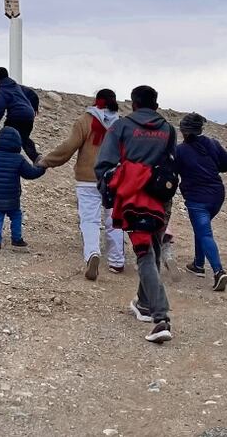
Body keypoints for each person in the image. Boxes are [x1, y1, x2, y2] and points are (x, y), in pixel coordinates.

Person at [95, 85, 177, 344]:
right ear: (156, 102)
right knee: (151, 249)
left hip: (133, 199)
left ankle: (160, 317)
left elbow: (104, 164)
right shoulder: (168, 129)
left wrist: (108, 188)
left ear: (133, 103)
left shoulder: (121, 127)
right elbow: (170, 162)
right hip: (161, 199)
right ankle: (143, 303)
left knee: (143, 255)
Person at [38, 88, 125, 280]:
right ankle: (117, 261)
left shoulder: (84, 121)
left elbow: (69, 147)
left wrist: (47, 161)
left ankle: (93, 253)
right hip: (114, 179)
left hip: (87, 179)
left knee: (90, 220)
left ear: (96, 100)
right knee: (114, 220)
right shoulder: (121, 124)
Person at [174, 112, 227, 291]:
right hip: (217, 195)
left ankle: (218, 272)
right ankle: (198, 264)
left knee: (205, 233)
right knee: (201, 229)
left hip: (197, 197)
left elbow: (173, 170)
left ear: (183, 130)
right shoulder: (212, 144)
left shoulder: (180, 150)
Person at [0, 126, 46, 253]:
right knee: (16, 216)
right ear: (17, 143)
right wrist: (42, 168)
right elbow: (30, 174)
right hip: (11, 199)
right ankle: (17, 239)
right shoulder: (18, 159)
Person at [0, 67, 40, 162]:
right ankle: (36, 158)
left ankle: (4, 158)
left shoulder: (2, 89)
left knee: (6, 134)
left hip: (16, 115)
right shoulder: (16, 86)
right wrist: (35, 107)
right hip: (29, 115)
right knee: (24, 138)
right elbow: (32, 94)